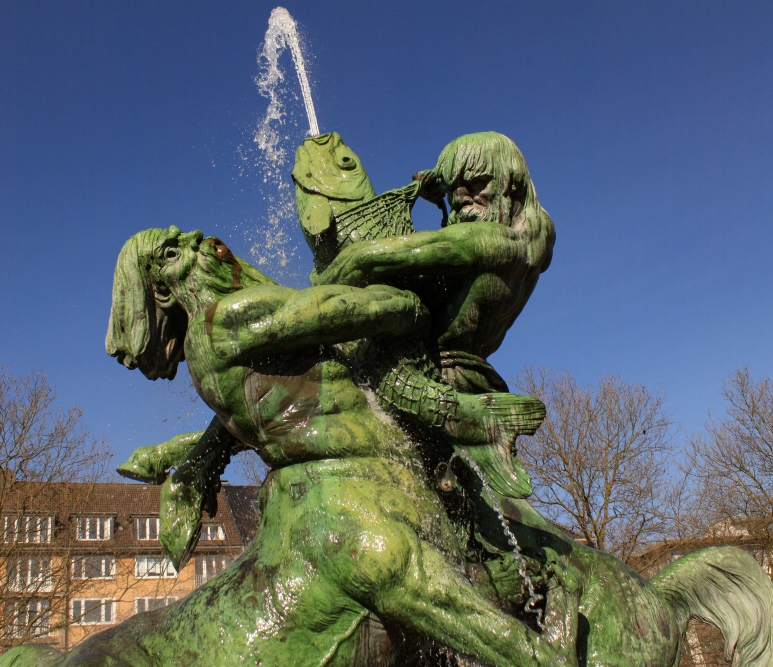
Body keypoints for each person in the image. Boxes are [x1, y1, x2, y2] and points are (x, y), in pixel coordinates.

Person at [40, 226, 580, 667]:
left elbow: (258, 417)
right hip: (350, 499)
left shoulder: (208, 356)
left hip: (317, 492)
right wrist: (379, 273)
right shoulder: (227, 317)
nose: (206, 242)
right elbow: (370, 310)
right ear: (162, 290)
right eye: (182, 248)